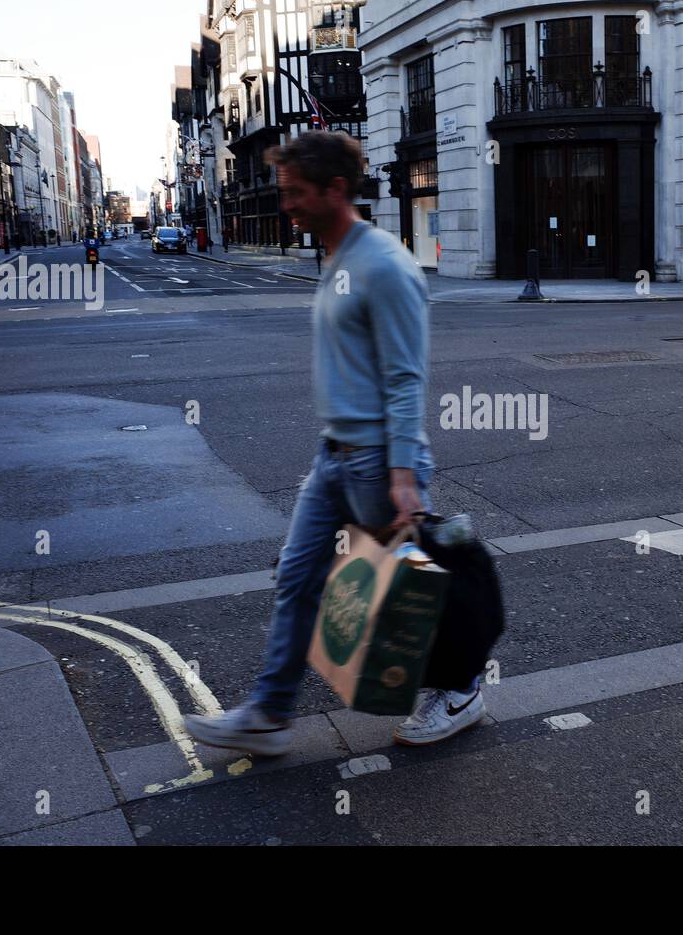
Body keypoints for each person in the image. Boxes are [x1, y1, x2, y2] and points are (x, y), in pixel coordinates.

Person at [183, 131, 485, 756]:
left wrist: (402, 476)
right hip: (335, 458)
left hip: (378, 463)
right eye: (283, 191)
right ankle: (268, 715)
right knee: (297, 578)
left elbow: (406, 378)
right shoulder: (338, 256)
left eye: (296, 193)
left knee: (404, 592)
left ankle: (461, 689)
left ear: (336, 190)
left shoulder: (383, 265)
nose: (285, 204)